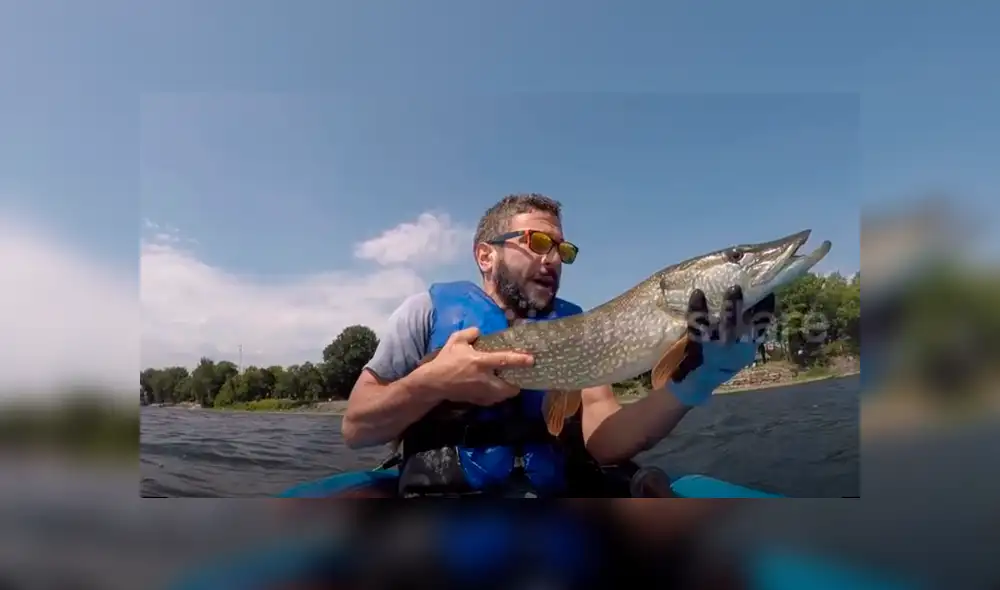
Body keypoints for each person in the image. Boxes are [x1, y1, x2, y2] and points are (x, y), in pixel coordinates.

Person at [342, 193, 774, 497]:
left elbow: (605, 442)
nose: (552, 259)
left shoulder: (578, 325)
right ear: (485, 256)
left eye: (561, 250)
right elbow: (357, 429)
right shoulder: (425, 311)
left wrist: (694, 385)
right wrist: (430, 384)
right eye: (537, 243)